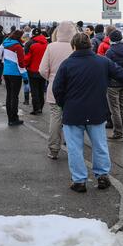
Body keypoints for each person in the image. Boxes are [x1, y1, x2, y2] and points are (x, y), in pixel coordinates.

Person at [53, 33, 123, 192]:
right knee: (100, 145)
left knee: (75, 148)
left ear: (73, 46)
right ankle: (102, 176)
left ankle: (79, 181)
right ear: (90, 45)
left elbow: (57, 89)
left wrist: (63, 105)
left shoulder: (67, 64)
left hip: (73, 113)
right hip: (96, 111)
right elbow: (122, 74)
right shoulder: (102, 62)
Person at [39, 21, 77, 159]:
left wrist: (51, 78)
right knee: (72, 118)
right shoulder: (76, 47)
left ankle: (53, 149)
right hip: (74, 88)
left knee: (55, 118)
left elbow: (42, 69)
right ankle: (71, 145)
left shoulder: (51, 46)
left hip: (55, 87)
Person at [0, 29, 29, 126]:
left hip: (6, 72)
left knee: (9, 95)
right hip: (15, 74)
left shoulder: (4, 43)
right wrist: (25, 76)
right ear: (19, 37)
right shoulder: (18, 47)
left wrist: (5, 62)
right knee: (14, 97)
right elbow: (21, 63)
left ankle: (10, 118)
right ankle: (14, 118)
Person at [24, 28, 49, 115]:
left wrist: (25, 65)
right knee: (41, 90)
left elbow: (27, 58)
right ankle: (41, 108)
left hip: (33, 70)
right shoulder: (47, 45)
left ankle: (36, 108)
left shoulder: (30, 44)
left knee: (34, 91)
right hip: (43, 71)